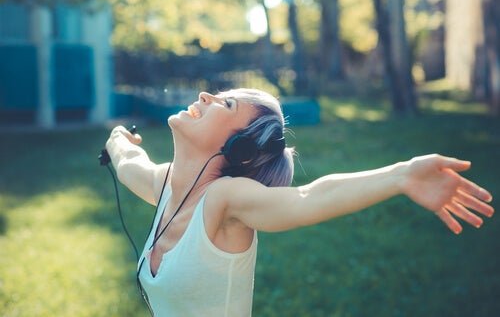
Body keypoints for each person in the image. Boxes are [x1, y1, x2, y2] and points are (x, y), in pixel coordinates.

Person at [105, 88, 494, 316]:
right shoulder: (168, 186)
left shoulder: (224, 202)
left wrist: (401, 175)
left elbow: (308, 197)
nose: (205, 95)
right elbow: (128, 163)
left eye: (225, 105)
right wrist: (117, 139)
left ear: (237, 148)